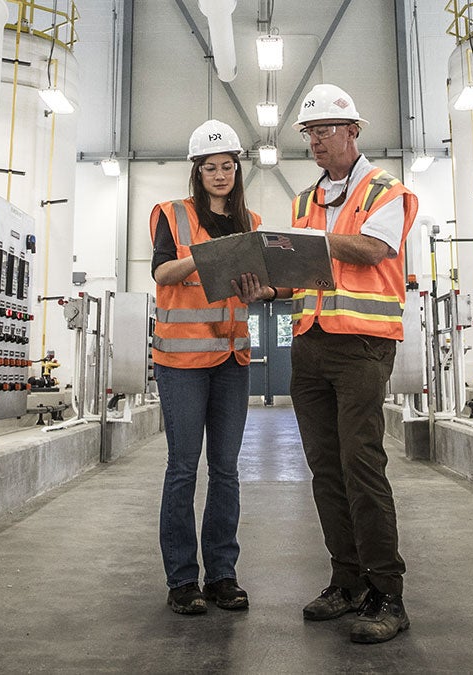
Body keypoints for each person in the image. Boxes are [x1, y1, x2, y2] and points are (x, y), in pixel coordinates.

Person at [241, 83, 420, 644]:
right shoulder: (303, 202)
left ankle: (387, 593)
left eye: (325, 130)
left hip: (363, 346)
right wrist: (267, 290)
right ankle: (347, 580)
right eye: (310, 132)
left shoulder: (385, 191)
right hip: (310, 344)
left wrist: (311, 238)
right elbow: (301, 276)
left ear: (353, 131)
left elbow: (373, 250)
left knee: (361, 464)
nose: (316, 140)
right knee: (324, 469)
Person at [150, 119, 266, 615]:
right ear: (197, 172)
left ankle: (221, 575)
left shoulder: (251, 222)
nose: (220, 175)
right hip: (182, 362)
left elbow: (256, 286)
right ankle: (182, 580)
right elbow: (162, 272)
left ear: (237, 170)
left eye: (228, 167)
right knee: (182, 469)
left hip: (232, 359)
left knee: (225, 471)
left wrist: (261, 290)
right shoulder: (172, 215)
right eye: (211, 168)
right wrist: (208, 256)